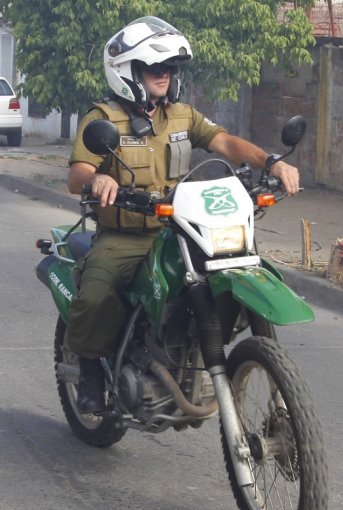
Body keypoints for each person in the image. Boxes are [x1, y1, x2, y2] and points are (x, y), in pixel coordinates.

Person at [66, 17, 300, 414]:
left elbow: (224, 141)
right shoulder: (102, 120)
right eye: (155, 67)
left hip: (182, 227)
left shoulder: (181, 115)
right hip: (128, 234)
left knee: (233, 267)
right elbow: (77, 174)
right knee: (96, 292)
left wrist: (271, 162)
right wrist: (98, 182)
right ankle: (89, 367)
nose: (165, 74)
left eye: (170, 68)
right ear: (128, 71)